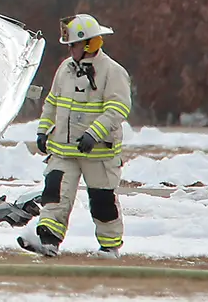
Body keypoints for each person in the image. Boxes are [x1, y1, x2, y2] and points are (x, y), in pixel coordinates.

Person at [19, 14, 132, 258]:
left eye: (73, 45)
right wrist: (43, 130)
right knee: (54, 196)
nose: (70, 50)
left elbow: (118, 109)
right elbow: (53, 102)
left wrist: (94, 134)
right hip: (63, 151)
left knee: (103, 202)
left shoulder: (113, 72)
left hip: (99, 153)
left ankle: (110, 248)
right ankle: (48, 241)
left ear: (90, 44)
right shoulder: (65, 70)